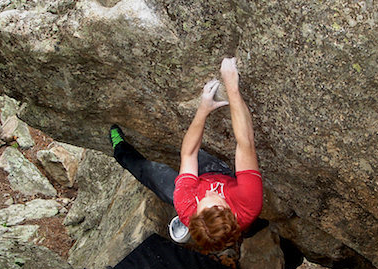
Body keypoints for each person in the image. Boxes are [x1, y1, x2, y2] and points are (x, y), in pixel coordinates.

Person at [109, 57, 263, 252]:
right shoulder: (249, 202)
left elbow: (188, 154)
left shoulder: (186, 206)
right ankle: (245, 231)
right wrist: (232, 87)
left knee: (152, 173)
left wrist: (202, 110)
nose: (208, 191)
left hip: (194, 188)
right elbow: (245, 143)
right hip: (222, 177)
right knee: (251, 218)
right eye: (214, 197)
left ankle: (119, 150)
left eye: (204, 200)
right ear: (229, 211)